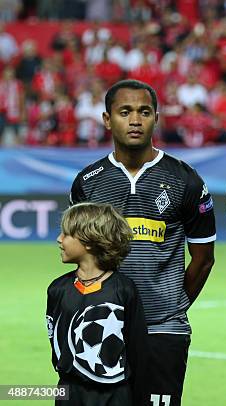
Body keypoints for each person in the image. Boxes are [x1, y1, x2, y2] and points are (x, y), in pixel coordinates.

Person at [69, 79, 216, 406]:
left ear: (156, 118)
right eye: (125, 112)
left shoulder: (185, 180)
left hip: (164, 330)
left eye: (144, 112)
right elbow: (83, 259)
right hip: (104, 325)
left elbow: (204, 257)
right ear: (107, 120)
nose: (135, 120)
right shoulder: (88, 184)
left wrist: (172, 307)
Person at [46, 202, 148, 405]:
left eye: (66, 234)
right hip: (69, 393)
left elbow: (138, 350)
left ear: (89, 242)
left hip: (115, 396)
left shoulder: (124, 290)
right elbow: (56, 343)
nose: (59, 239)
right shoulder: (57, 289)